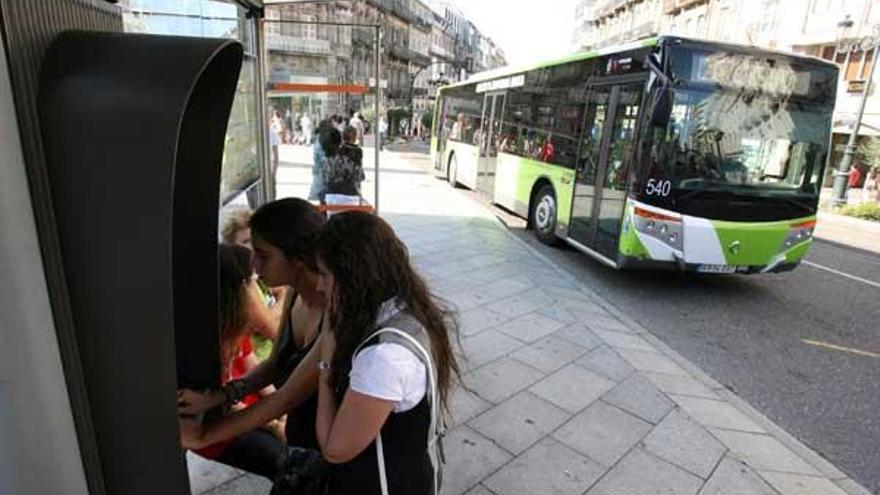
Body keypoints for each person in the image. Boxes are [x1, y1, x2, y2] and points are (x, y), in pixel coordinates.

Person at [312, 212, 461, 494]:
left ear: (351, 275)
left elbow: (335, 449)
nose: (320, 286)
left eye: (324, 274)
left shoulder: (383, 358)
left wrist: (325, 362)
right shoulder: (406, 307)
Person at [179, 198, 328, 453]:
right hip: (302, 436)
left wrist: (204, 436)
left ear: (299, 257)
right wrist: (219, 397)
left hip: (330, 447)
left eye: (263, 256)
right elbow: (275, 364)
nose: (254, 266)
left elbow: (288, 395)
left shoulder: (336, 311)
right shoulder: (294, 294)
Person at [187, 244, 286, 480]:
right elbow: (219, 406)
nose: (255, 288)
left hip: (246, 409)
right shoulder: (201, 344)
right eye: (250, 282)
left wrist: (281, 408)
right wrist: (275, 424)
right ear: (236, 289)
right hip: (218, 429)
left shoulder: (233, 325)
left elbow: (254, 368)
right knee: (285, 462)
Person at [320, 126, 365, 206]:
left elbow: (325, 180)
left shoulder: (324, 162)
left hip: (328, 199)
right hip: (349, 199)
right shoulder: (348, 160)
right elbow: (360, 176)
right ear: (340, 141)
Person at [309, 119, 335, 202]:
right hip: (322, 177)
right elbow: (324, 160)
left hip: (320, 176)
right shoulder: (321, 142)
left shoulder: (319, 139)